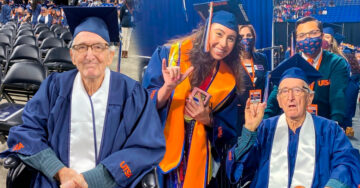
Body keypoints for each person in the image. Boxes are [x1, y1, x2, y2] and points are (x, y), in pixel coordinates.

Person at [0, 7, 165, 188]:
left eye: (98, 47)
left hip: (110, 183)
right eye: (81, 47)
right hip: (55, 182)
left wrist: (94, 179)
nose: (89, 55)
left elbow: (146, 145)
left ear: (110, 55)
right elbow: (27, 131)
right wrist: (59, 171)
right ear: (72, 55)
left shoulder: (131, 93)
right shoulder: (54, 87)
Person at [142, 1, 245, 187]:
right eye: (219, 34)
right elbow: (142, 104)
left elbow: (229, 131)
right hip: (161, 152)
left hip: (199, 158)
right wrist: (167, 88)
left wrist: (209, 120)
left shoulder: (229, 80)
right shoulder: (170, 55)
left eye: (231, 38)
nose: (223, 44)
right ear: (206, 30)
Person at [226, 54, 360, 187]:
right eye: (284, 91)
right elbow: (239, 169)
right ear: (278, 100)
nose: (290, 97)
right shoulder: (265, 129)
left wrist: (332, 185)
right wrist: (249, 130)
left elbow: (347, 162)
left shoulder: (329, 129)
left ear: (310, 98)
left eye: (297, 90)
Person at [264, 16, 350, 125]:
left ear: (322, 36)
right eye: (302, 35)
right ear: (297, 40)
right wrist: (265, 119)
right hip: (292, 124)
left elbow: (337, 96)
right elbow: (276, 94)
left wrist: (335, 125)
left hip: (323, 124)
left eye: (313, 33)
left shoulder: (336, 63)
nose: (308, 38)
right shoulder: (290, 63)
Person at [236, 24, 268, 134]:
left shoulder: (261, 58)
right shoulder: (232, 61)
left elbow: (266, 83)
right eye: (242, 36)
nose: (245, 39)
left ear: (253, 37)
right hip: (240, 113)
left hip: (259, 111)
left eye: (249, 35)